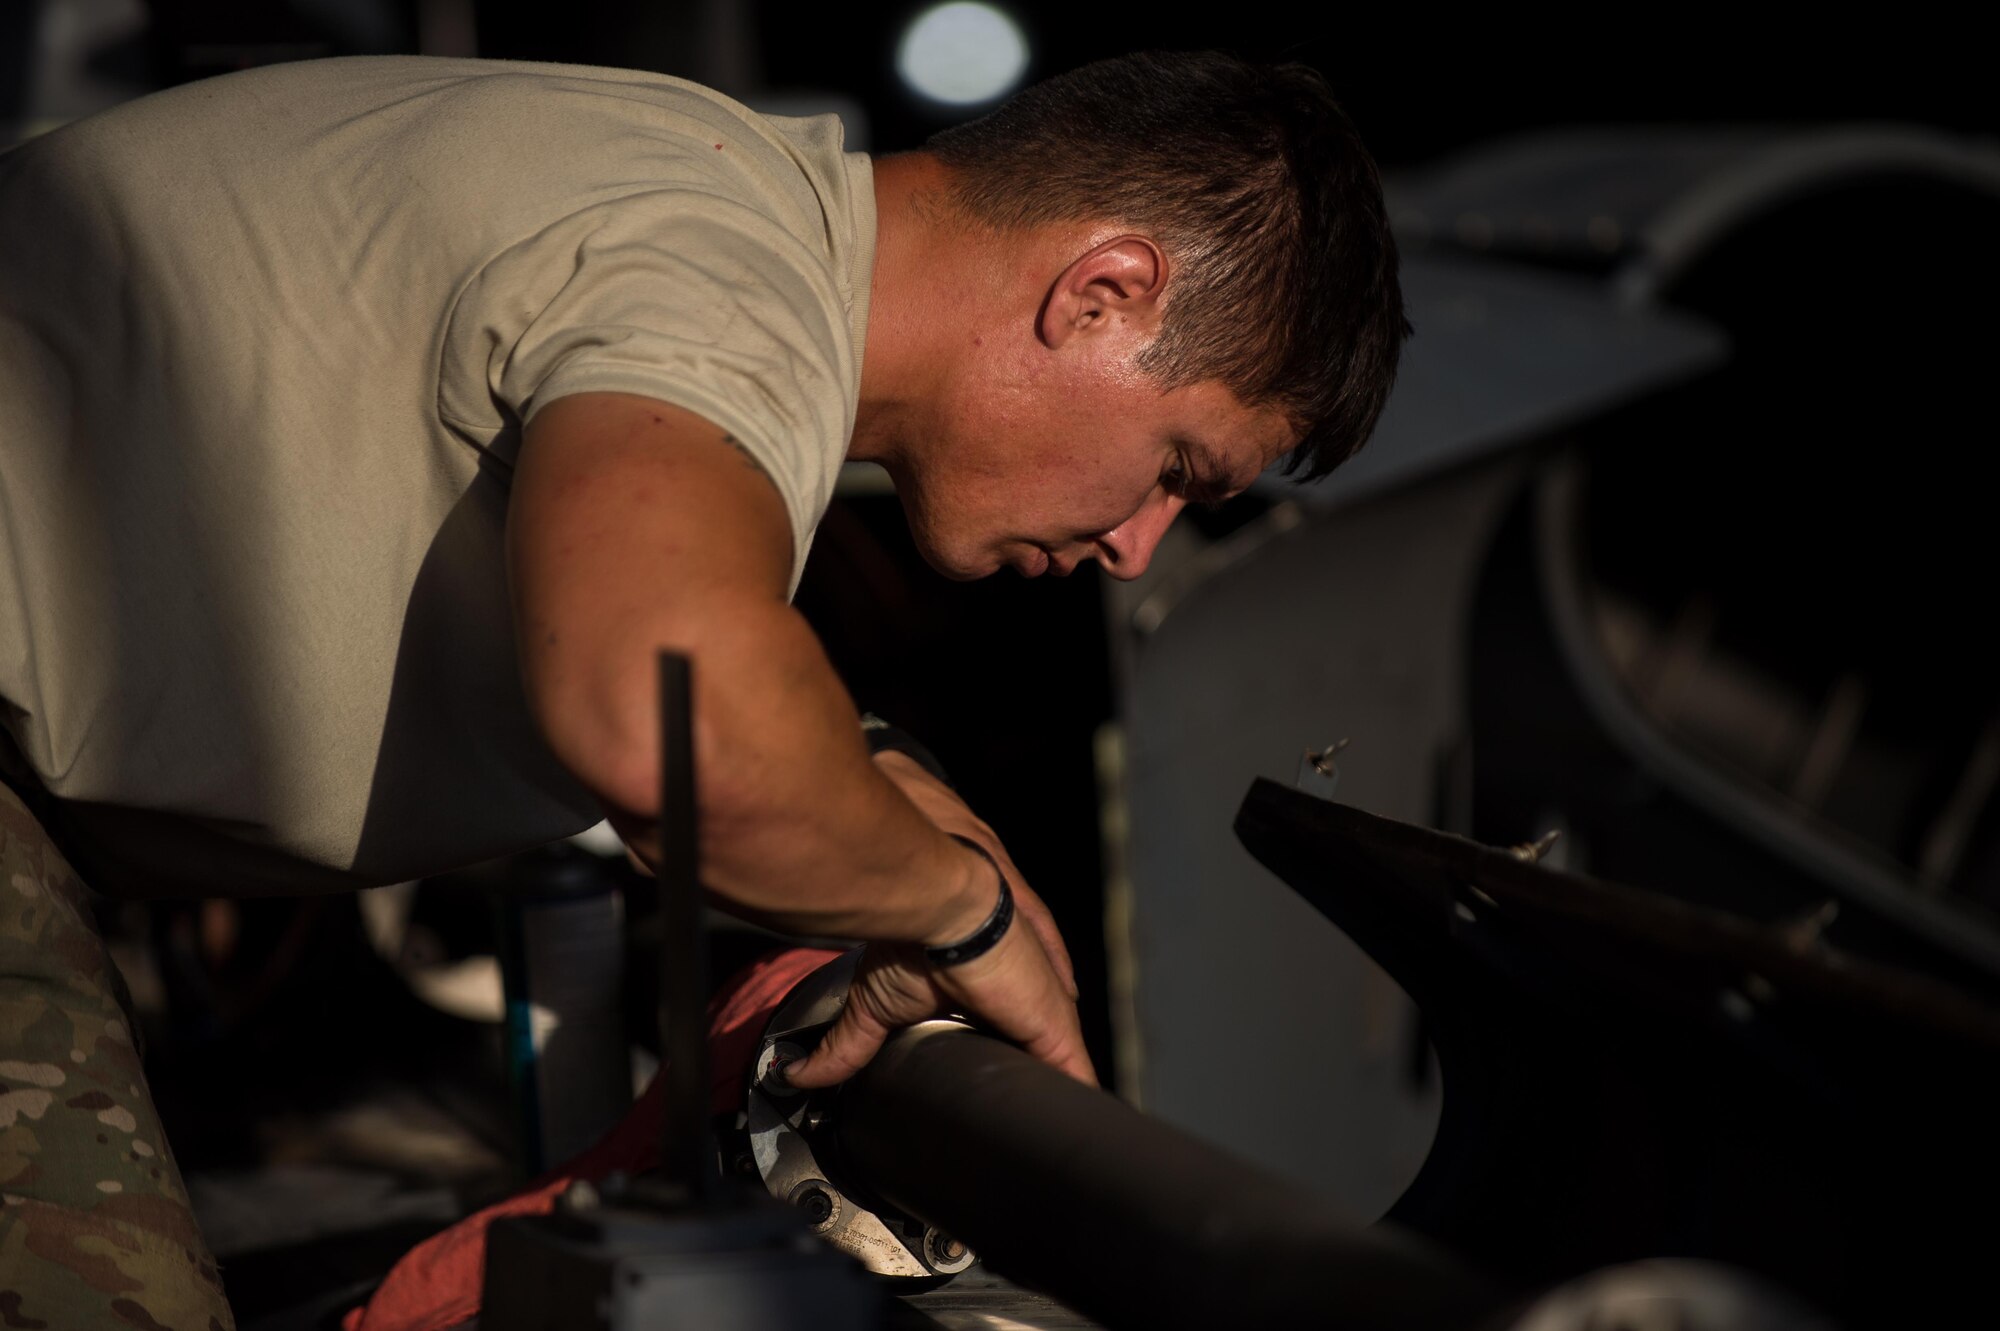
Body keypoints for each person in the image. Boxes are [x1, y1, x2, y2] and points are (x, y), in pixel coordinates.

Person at [0, 46, 1405, 1328]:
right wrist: (958, 914)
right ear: (1103, 292)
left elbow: (589, 601)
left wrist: (872, 771)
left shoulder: (716, 205)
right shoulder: (726, 280)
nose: (1136, 546)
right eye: (1180, 467)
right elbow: (667, 729)